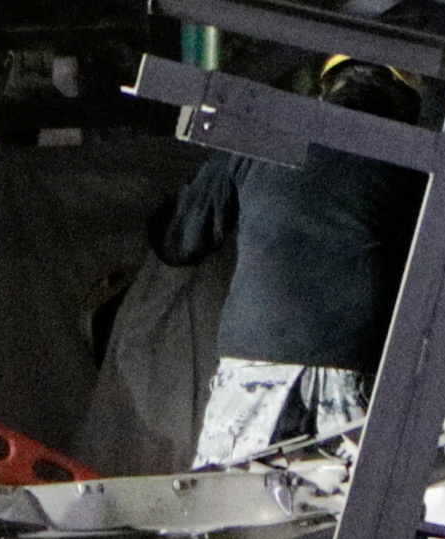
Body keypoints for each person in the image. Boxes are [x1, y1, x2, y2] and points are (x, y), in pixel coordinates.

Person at [159, 54, 430, 463]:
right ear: (406, 101)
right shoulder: (419, 166)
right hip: (359, 368)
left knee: (231, 512)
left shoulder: (266, 138)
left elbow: (178, 241)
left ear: (328, 86)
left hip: (254, 364)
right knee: (352, 518)